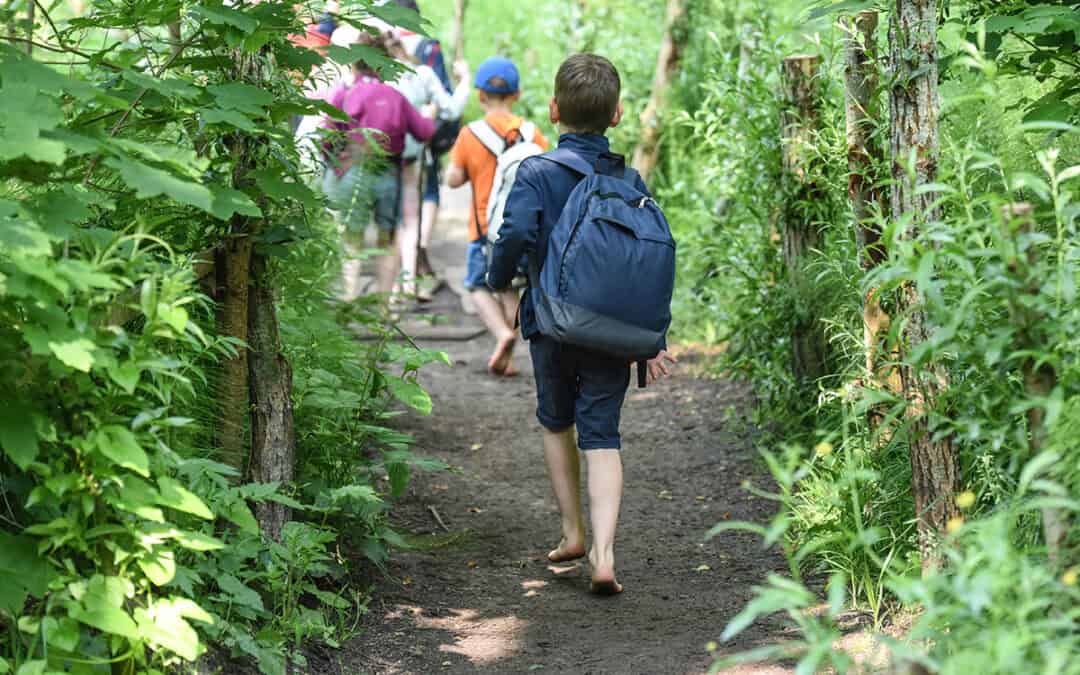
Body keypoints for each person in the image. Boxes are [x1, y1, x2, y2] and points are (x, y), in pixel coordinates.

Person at [486, 54, 676, 595]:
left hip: (550, 323)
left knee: (555, 421)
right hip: (611, 333)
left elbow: (515, 234)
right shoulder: (630, 179)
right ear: (616, 116)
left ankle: (571, 532)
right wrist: (650, 338)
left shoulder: (537, 171)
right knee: (603, 434)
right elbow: (642, 263)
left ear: (553, 109)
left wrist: (499, 277)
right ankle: (605, 554)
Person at [446, 56, 549, 376]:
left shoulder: (469, 134)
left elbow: (452, 179)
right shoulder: (533, 135)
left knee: (477, 286)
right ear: (516, 95)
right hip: (523, 228)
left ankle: (503, 334)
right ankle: (514, 345)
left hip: (484, 229)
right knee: (512, 287)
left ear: (480, 96)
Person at [322, 28, 436, 300]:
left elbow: (327, 138)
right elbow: (424, 131)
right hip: (388, 173)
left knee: (352, 239)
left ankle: (348, 298)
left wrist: (336, 166)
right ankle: (383, 306)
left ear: (355, 62)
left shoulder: (344, 94)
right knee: (387, 239)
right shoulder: (395, 96)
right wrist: (429, 115)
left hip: (352, 171)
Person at [386, 30, 471, 301]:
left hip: (380, 156)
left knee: (391, 223)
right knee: (409, 220)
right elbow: (452, 109)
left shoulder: (377, 75)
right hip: (412, 156)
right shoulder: (422, 74)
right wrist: (465, 80)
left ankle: (390, 290)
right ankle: (408, 282)